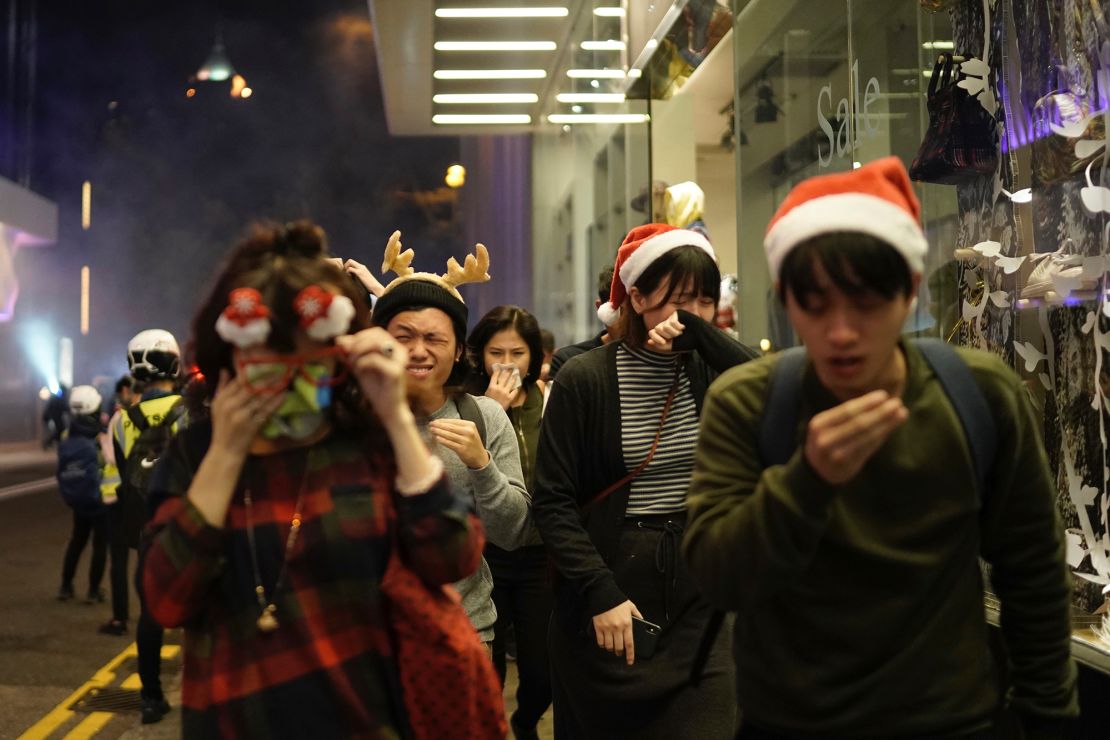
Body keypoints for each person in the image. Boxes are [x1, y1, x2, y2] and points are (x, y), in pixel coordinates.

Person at [683, 157, 1078, 739]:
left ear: (910, 291)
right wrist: (808, 480)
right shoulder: (747, 402)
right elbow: (719, 578)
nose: (841, 330)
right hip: (790, 723)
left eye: (866, 302)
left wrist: (1049, 720)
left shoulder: (976, 394)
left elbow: (1034, 575)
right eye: (816, 303)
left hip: (953, 721)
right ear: (786, 302)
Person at [141, 221, 492, 737]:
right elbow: (166, 599)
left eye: (306, 354)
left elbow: (452, 555)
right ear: (230, 355)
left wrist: (395, 416)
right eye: (268, 353)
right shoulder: (197, 453)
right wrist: (226, 452)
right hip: (234, 719)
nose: (287, 374)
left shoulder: (366, 443)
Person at [532, 223, 758, 739]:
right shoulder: (584, 377)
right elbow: (553, 500)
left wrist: (701, 334)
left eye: (705, 300)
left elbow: (770, 387)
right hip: (611, 588)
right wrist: (600, 593)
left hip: (699, 592)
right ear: (635, 296)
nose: (693, 311)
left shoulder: (706, 369)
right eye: (679, 299)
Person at [371, 231, 532, 649]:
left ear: (459, 350)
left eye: (434, 339)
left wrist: (482, 465)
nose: (418, 351)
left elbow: (513, 532)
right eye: (403, 337)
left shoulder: (485, 416)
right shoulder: (356, 418)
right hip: (370, 636)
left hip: (464, 632)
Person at [466, 305, 552, 739]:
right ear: (479, 355)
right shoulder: (467, 404)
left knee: (541, 669)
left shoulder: (552, 400)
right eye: (495, 352)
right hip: (486, 553)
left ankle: (526, 720)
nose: (505, 363)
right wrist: (491, 410)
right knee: (489, 663)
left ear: (533, 356)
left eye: (517, 353)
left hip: (541, 554)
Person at [98, 328, 184, 725]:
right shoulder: (192, 409)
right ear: (173, 362)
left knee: (150, 614)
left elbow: (117, 475)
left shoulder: (119, 421)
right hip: (188, 524)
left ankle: (150, 698)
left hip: (148, 529)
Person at [56, 384, 108, 603]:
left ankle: (66, 586)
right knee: (99, 545)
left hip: (79, 498)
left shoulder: (67, 434)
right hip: (100, 497)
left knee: (77, 540)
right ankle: (94, 590)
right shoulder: (100, 435)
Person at [547, 264, 614, 380]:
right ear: (600, 308)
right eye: (618, 310)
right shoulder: (567, 360)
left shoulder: (652, 356)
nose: (628, 321)